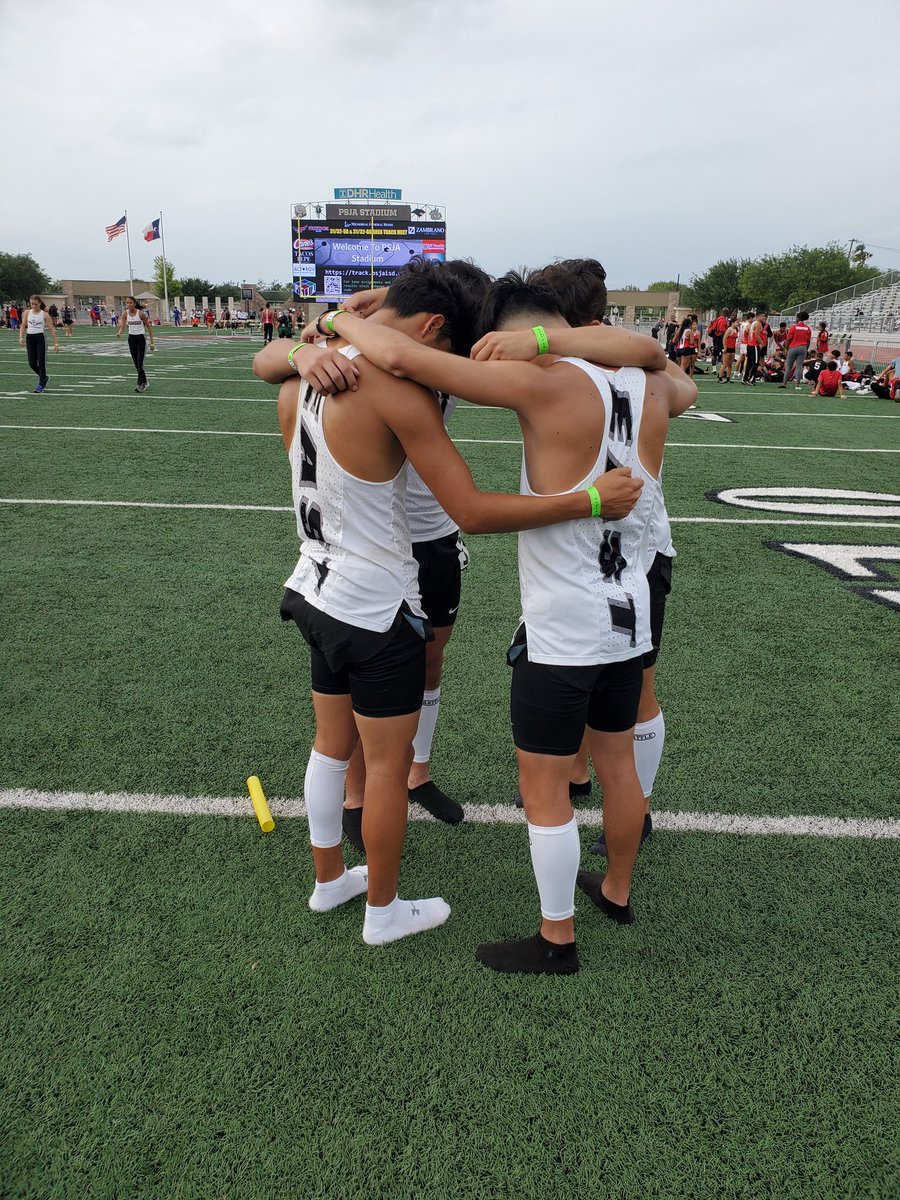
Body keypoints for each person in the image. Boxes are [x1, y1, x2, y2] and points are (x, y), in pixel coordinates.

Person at [253, 259, 645, 951]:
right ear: (434, 327)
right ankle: (382, 910)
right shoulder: (391, 389)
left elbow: (276, 359)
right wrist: (586, 500)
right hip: (376, 606)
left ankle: (327, 880)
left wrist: (313, 335)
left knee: (328, 746)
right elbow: (469, 508)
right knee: (384, 769)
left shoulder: (305, 371)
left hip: (312, 585)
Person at [19, 295, 60, 391]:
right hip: (30, 338)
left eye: (35, 304)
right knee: (32, 363)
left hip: (40, 339)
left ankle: (41, 384)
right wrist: (21, 337)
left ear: (40, 303)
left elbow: (51, 329)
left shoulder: (45, 314)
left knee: (41, 362)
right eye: (31, 304)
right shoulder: (26, 313)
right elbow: (23, 325)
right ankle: (44, 377)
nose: (33, 306)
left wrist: (56, 343)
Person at [116, 296, 155, 392]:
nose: (128, 305)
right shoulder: (125, 314)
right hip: (131, 338)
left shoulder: (140, 314)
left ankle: (140, 384)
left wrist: (152, 342)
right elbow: (123, 325)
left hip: (140, 338)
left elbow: (149, 327)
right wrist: (119, 332)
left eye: (130, 303)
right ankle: (145, 382)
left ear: (134, 303)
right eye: (127, 303)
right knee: (136, 364)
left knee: (140, 362)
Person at [779, 311, 812, 389]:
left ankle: (784, 384)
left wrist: (786, 349)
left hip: (793, 347)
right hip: (803, 347)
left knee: (789, 367)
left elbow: (789, 339)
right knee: (799, 366)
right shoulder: (807, 328)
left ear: (798, 318)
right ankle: (797, 385)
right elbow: (808, 341)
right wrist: (806, 349)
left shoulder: (793, 327)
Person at [718, 317, 739, 382]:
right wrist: (725, 347)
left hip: (733, 348)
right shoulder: (729, 329)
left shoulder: (736, 329)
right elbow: (724, 338)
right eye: (736, 322)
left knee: (730, 364)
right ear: (732, 322)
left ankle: (728, 378)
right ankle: (720, 378)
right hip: (728, 348)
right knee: (725, 364)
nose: (738, 323)